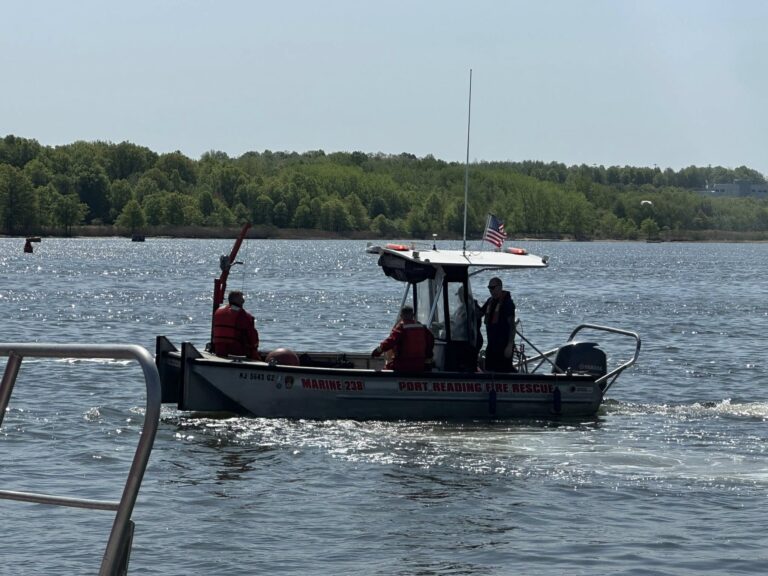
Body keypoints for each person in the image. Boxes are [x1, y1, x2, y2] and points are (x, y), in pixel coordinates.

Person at [372, 305, 434, 371]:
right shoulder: (422, 327)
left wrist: (378, 350)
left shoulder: (401, 328)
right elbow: (431, 340)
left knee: (387, 368)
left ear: (401, 316)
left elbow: (390, 341)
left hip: (403, 364)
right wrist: (427, 359)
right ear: (413, 315)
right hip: (420, 364)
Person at [212, 290, 261, 360]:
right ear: (239, 300)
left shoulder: (218, 311)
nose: (243, 300)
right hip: (235, 350)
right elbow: (252, 336)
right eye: (242, 298)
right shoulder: (243, 315)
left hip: (219, 349)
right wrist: (254, 348)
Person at [481, 277, 516, 372]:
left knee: (504, 371)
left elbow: (512, 326)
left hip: (504, 346)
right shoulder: (490, 301)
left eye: (493, 287)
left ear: (500, 287)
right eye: (489, 288)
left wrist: (509, 345)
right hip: (492, 345)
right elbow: (479, 313)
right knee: (489, 369)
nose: (491, 290)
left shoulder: (507, 303)